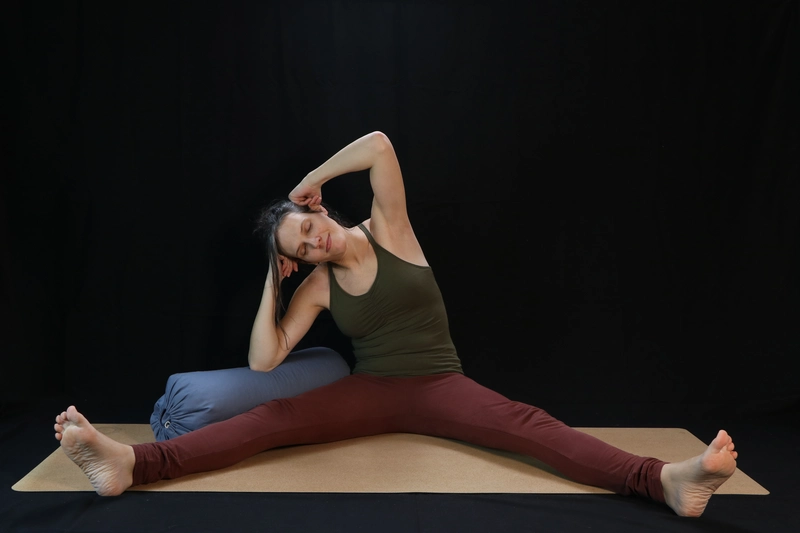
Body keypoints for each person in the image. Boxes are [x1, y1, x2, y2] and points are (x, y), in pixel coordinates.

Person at [54, 131, 738, 517]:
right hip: (374, 390)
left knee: (531, 427)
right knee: (269, 421)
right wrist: (273, 274)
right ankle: (130, 465)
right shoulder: (315, 285)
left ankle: (664, 480)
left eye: (308, 229)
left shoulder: (390, 229)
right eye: (299, 249)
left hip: (440, 382)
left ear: (320, 211)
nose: (313, 243)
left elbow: (380, 145)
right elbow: (264, 360)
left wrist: (311, 179)